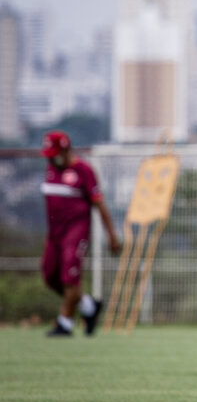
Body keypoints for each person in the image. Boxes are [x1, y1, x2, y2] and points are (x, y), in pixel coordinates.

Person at [40, 130, 121, 337]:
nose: (51, 158)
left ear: (66, 150)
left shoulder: (84, 170)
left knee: (70, 277)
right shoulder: (51, 169)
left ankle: (65, 323)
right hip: (54, 234)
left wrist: (111, 235)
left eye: (55, 153)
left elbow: (100, 204)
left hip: (76, 232)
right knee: (50, 276)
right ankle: (87, 306)